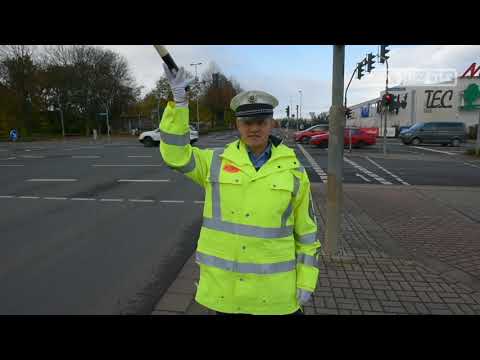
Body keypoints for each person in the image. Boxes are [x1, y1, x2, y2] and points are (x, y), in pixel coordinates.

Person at [159, 64, 321, 315]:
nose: (254, 128)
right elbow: (175, 155)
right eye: (247, 122)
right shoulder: (215, 162)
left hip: (276, 297)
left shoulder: (294, 171)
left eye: (260, 121)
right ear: (237, 124)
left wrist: (307, 279)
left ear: (272, 123)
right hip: (228, 295)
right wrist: (180, 103)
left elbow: (307, 235)